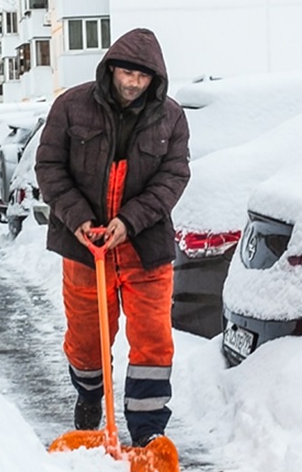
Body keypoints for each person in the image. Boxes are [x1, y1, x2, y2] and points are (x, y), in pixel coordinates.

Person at [35, 28, 191, 448]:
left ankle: (147, 432)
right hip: (86, 249)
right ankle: (89, 399)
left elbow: (172, 177)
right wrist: (81, 220)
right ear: (111, 69)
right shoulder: (71, 106)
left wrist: (129, 221)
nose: (132, 84)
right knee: (87, 341)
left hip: (145, 248)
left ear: (155, 79)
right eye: (125, 72)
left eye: (142, 77)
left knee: (152, 342)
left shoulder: (171, 117)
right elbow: (49, 167)